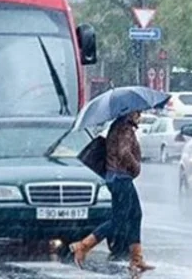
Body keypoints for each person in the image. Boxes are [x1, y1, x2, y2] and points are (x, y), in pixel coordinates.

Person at [68, 110, 154, 276]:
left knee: (135, 214)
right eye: (138, 113)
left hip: (116, 177)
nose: (140, 116)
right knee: (119, 219)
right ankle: (83, 245)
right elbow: (123, 152)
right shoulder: (125, 129)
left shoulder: (117, 126)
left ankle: (136, 259)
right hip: (121, 178)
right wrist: (136, 167)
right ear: (130, 114)